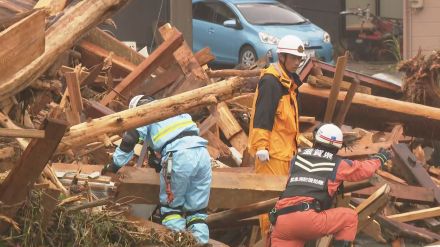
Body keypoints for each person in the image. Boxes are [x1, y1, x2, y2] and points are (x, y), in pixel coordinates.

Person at [102, 95, 212, 245]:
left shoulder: (145, 112)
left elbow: (129, 140)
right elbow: (177, 137)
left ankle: (180, 243)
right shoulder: (177, 110)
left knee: (171, 209)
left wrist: (114, 165)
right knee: (197, 211)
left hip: (177, 157)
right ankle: (201, 243)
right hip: (202, 154)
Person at [268, 123, 392, 247]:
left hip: (281, 220)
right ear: (337, 147)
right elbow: (363, 170)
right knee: (349, 218)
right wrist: (379, 158)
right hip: (308, 220)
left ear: (316, 140)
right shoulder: (337, 164)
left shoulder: (297, 158)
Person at [248, 35, 306, 236]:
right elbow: (263, 116)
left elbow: (288, 123)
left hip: (285, 154)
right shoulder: (271, 82)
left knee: (282, 204)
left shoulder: (289, 83)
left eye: (300, 59)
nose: (297, 63)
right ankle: (268, 239)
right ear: (282, 57)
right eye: (294, 58)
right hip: (271, 155)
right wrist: (261, 147)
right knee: (269, 204)